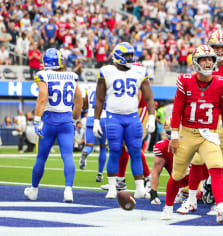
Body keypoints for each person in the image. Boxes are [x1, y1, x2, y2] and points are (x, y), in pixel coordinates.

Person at [160, 45, 223, 224]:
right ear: (196, 62)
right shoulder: (185, 81)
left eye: (210, 59)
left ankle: (220, 208)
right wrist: (173, 136)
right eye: (203, 59)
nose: (208, 62)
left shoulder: (222, 83)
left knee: (216, 166)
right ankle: (168, 206)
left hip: (208, 134)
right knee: (178, 174)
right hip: (187, 133)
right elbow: (177, 111)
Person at [176, 30, 223, 216]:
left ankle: (222, 200)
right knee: (197, 162)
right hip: (201, 122)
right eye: (216, 47)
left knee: (222, 163)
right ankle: (192, 199)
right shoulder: (202, 63)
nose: (219, 50)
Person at [93, 42, 156, 199]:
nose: (130, 58)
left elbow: (149, 98)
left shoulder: (139, 71)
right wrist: (96, 120)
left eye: (130, 55)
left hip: (133, 116)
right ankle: (113, 187)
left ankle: (140, 188)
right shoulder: (106, 71)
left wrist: (152, 117)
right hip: (114, 116)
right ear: (118, 56)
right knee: (115, 150)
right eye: (126, 55)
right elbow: (100, 99)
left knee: (135, 151)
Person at [24, 48, 83, 202]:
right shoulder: (71, 76)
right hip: (66, 121)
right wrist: (75, 118)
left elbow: (42, 98)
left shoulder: (43, 75)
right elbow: (79, 99)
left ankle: (34, 190)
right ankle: (68, 190)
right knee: (68, 156)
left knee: (41, 157)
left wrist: (36, 119)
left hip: (49, 121)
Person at [150, 117, 190, 204]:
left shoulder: (193, 143)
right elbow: (156, 172)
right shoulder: (163, 147)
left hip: (200, 182)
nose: (172, 135)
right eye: (169, 132)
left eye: (174, 132)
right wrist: (153, 193)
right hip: (179, 185)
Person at [78, 84, 108, 183]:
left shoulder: (89, 87)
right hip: (104, 118)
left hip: (91, 117)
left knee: (89, 145)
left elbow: (85, 104)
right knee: (103, 147)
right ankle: (100, 174)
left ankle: (85, 152)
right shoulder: (109, 86)